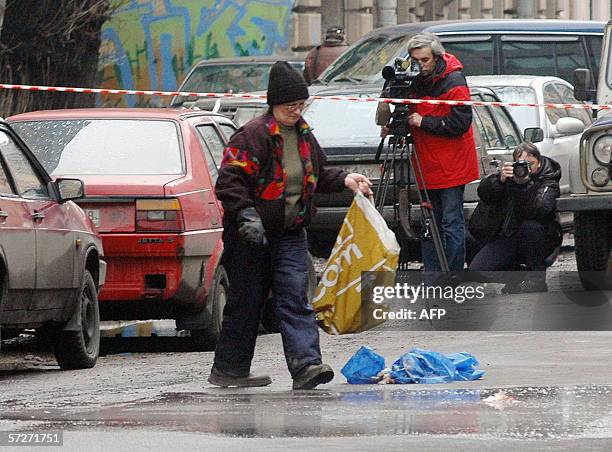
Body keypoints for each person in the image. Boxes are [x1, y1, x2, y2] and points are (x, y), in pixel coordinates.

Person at [209, 61, 373, 390]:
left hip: (290, 233)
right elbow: (229, 181)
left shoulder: (304, 136)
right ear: (274, 104)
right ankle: (230, 369)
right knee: (246, 303)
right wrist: (244, 214)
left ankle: (306, 366)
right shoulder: (252, 136)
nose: (296, 112)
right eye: (290, 106)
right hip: (249, 236)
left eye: (301, 105)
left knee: (295, 298)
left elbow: (318, 175)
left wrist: (345, 179)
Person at [381, 32, 479, 273]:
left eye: (425, 60)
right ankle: (432, 274)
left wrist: (423, 122)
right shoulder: (413, 78)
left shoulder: (453, 80)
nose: (420, 66)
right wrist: (391, 119)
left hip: (452, 165)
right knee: (428, 221)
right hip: (426, 163)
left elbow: (460, 122)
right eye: (415, 60)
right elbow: (400, 108)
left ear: (436, 57)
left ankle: (452, 276)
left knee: (450, 222)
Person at [468, 142, 562, 293]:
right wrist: (499, 180)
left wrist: (525, 185)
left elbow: (539, 210)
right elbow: (485, 194)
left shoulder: (547, 180)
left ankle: (537, 279)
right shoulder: (509, 178)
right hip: (508, 236)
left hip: (538, 239)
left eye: (530, 164)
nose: (526, 169)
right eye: (521, 164)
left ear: (538, 163)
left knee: (530, 227)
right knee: (477, 270)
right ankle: (519, 277)